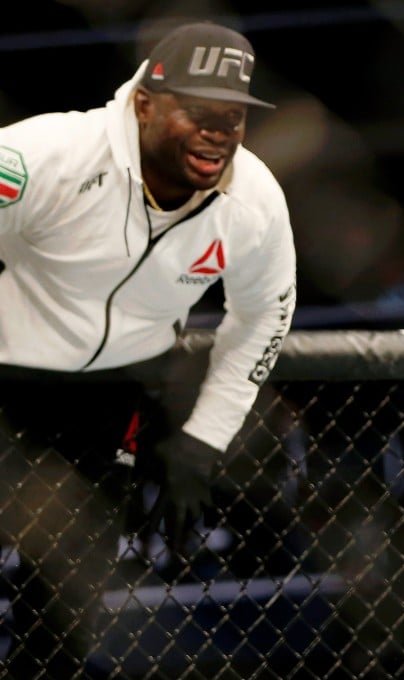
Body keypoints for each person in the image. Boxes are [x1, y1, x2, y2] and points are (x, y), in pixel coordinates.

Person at [0, 21, 296, 678]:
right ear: (144, 102)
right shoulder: (43, 155)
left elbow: (265, 313)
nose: (219, 130)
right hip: (5, 378)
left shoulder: (252, 199)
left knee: (64, 616)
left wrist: (203, 438)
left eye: (234, 115)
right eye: (199, 111)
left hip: (109, 399)